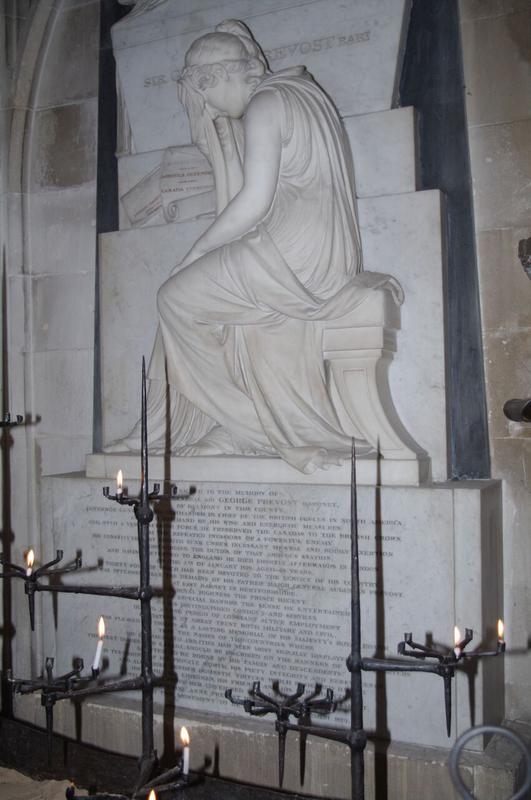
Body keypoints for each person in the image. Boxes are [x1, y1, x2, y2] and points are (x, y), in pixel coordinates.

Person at [109, 20, 402, 473]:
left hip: (289, 253)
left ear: (218, 79)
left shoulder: (266, 103)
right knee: (212, 310)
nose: (215, 112)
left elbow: (253, 201)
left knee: (173, 298)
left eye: (208, 100)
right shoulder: (305, 94)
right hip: (320, 249)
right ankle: (217, 423)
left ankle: (251, 426)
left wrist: (195, 253)